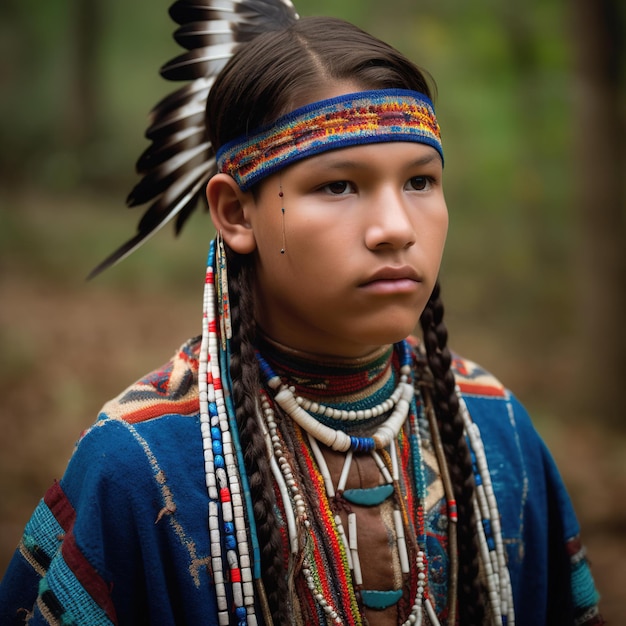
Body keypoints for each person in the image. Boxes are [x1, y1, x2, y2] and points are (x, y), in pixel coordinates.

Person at [0, 2, 603, 625]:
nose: (396, 229)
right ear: (235, 213)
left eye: (420, 182)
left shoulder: (495, 427)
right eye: (338, 186)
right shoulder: (138, 462)